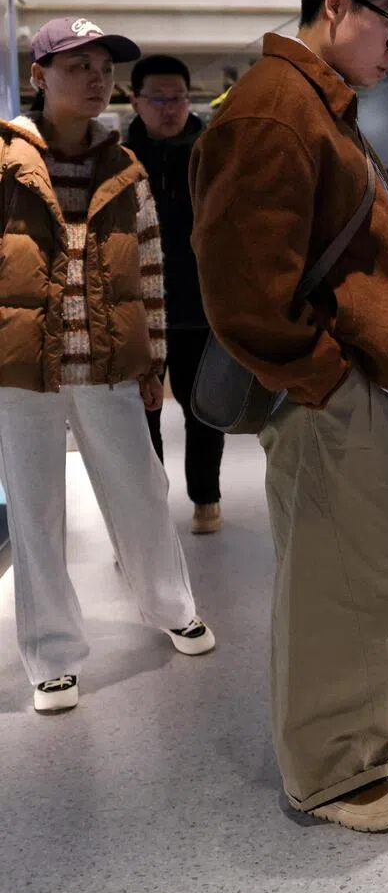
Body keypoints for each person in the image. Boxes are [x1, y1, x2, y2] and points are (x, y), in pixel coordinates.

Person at [190, 0, 388, 834]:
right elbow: (242, 285)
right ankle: (329, 768)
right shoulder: (275, 109)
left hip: (376, 379)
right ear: (336, 8)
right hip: (336, 388)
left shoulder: (322, 104)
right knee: (337, 580)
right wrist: (324, 378)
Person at [0, 18, 215, 714]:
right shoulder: (4, 160)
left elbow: (148, 268)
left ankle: (171, 605)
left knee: (142, 492)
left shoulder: (125, 169)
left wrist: (152, 358)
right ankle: (52, 655)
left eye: (103, 66)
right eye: (77, 66)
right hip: (21, 370)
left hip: (109, 366)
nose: (96, 78)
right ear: (39, 77)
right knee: (36, 515)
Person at [128, 54, 225, 535]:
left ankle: (206, 497)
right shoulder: (117, 158)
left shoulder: (213, 153)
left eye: (179, 98)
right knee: (139, 415)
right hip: (136, 311)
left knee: (203, 407)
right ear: (135, 100)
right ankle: (147, 510)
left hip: (200, 306)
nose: (170, 108)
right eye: (159, 98)